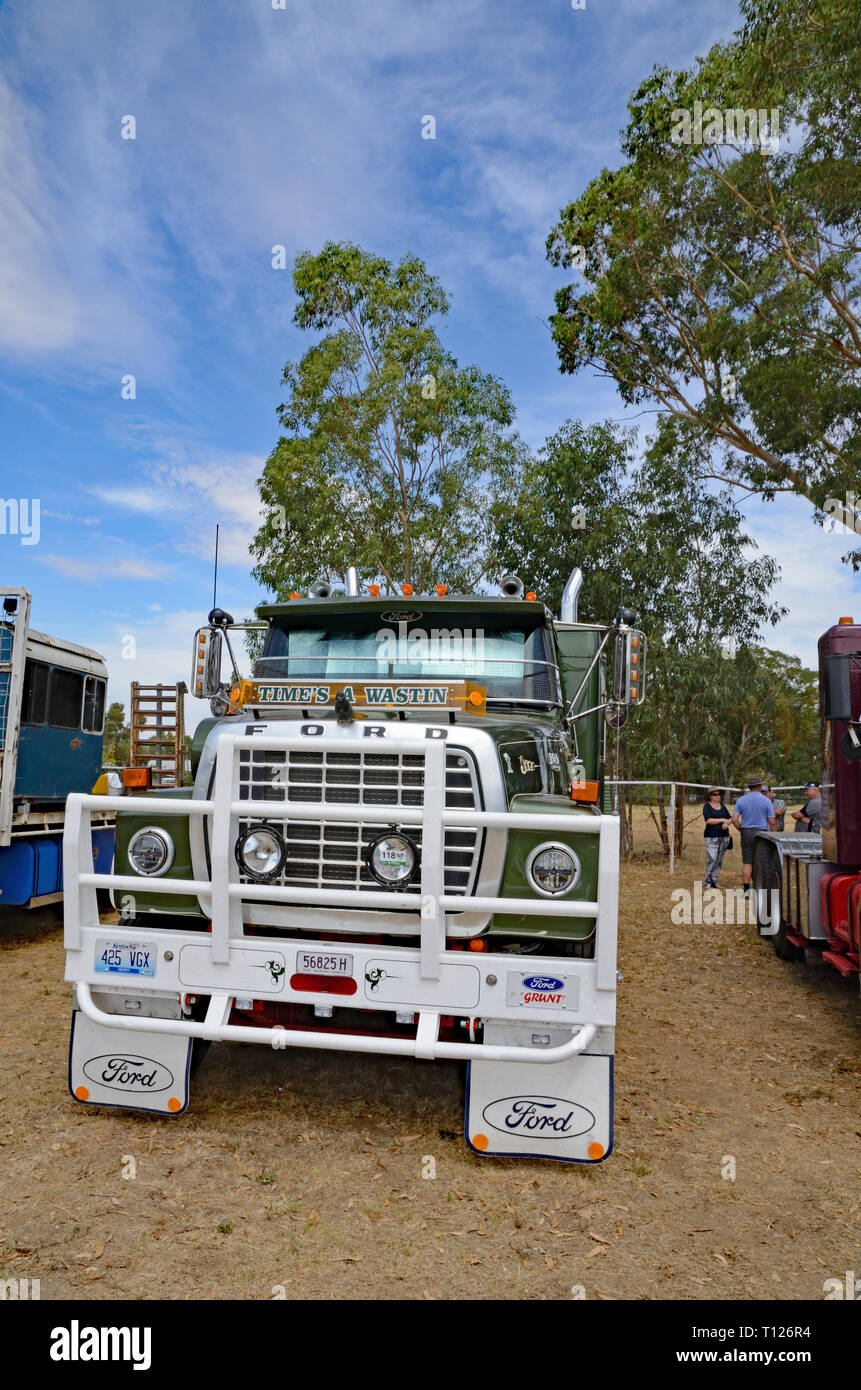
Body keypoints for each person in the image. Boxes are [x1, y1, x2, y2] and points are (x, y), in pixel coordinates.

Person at [731, 777, 777, 894]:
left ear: (749, 787)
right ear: (760, 786)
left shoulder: (741, 800)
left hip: (746, 831)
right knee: (761, 861)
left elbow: (734, 819)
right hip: (761, 832)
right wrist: (776, 836)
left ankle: (746, 890)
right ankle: (760, 886)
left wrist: (741, 829)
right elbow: (772, 821)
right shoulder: (766, 800)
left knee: (747, 862)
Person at [702, 787, 733, 887]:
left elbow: (730, 818)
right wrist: (722, 820)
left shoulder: (722, 806)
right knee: (712, 858)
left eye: (719, 794)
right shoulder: (707, 806)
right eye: (715, 794)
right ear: (710, 796)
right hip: (711, 837)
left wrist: (727, 823)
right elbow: (708, 820)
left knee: (719, 860)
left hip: (724, 836)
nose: (718, 796)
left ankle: (715, 880)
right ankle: (707, 882)